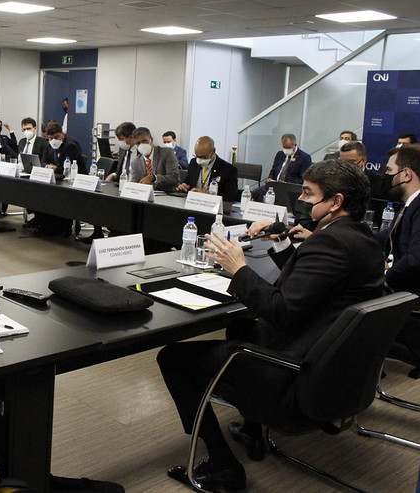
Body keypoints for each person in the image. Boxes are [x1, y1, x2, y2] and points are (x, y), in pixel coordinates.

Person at [158, 159, 385, 491]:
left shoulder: (331, 243)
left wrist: (239, 269)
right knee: (241, 329)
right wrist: (282, 243)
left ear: (335, 202)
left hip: (295, 368)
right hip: (330, 361)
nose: (302, 201)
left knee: (174, 359)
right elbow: (311, 287)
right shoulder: (360, 238)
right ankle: (252, 429)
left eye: (308, 193)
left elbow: (283, 310)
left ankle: (223, 466)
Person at [383, 144, 420, 296]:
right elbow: (385, 235)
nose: (385, 176)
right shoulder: (410, 205)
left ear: (406, 174)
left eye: (389, 170)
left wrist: (385, 278)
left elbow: (415, 259)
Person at [175, 136, 238, 202]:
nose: (199, 160)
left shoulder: (228, 169)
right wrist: (183, 186)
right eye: (197, 156)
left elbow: (231, 196)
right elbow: (188, 183)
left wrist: (209, 194)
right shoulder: (194, 163)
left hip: (212, 206)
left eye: (203, 157)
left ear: (213, 151)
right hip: (193, 203)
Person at [128, 127, 179, 191]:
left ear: (151, 139)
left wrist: (154, 178)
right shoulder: (135, 162)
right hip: (143, 196)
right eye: (138, 143)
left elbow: (174, 178)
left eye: (144, 141)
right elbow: (134, 184)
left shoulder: (166, 153)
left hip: (166, 195)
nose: (142, 145)